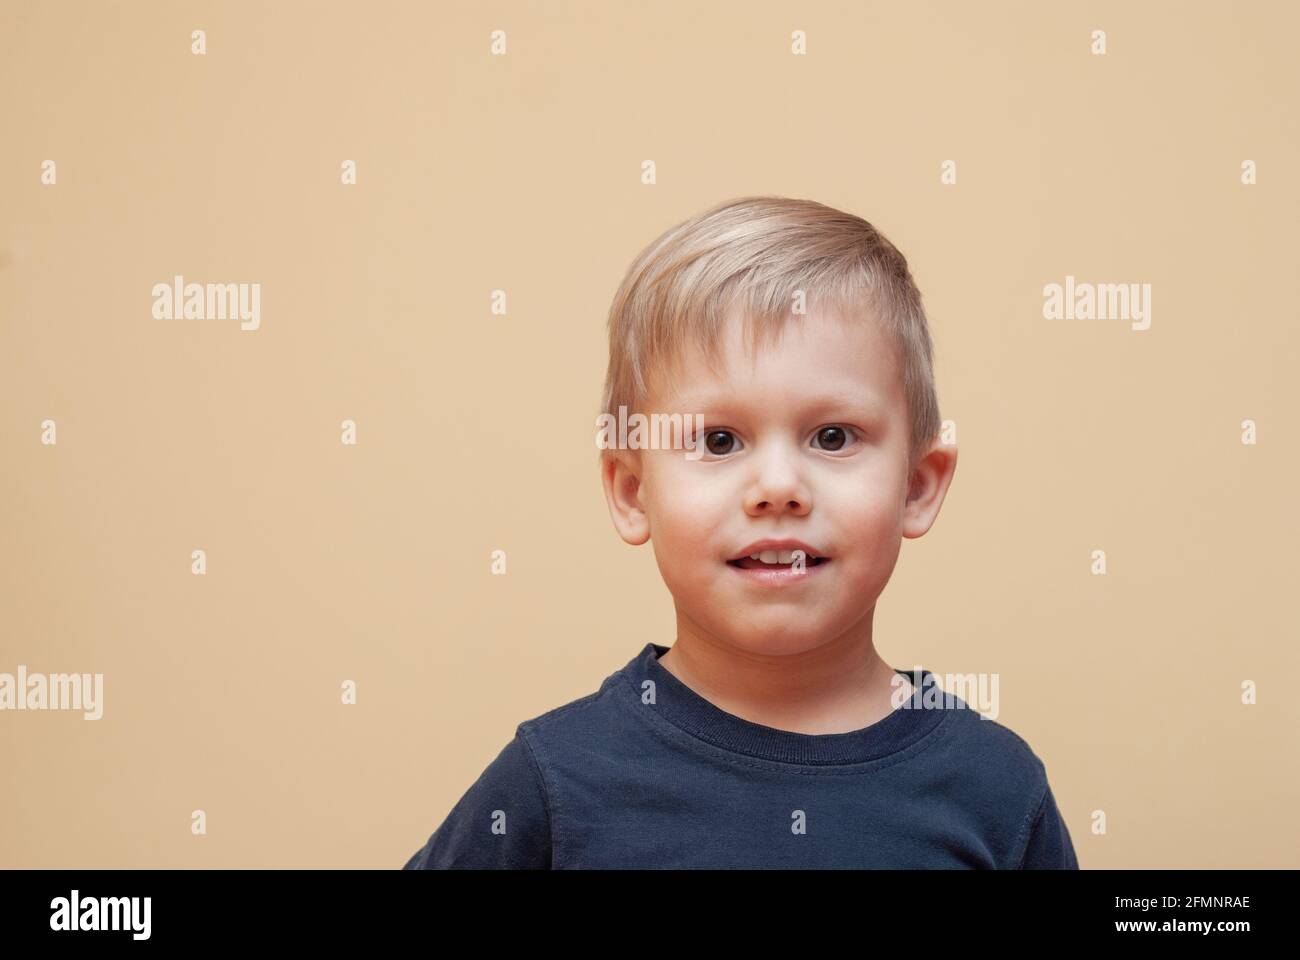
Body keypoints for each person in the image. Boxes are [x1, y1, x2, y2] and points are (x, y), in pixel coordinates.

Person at [404, 196, 1078, 869]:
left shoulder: (997, 792)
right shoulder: (553, 783)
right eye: (720, 440)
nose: (777, 486)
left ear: (918, 485)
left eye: (833, 436)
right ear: (633, 491)